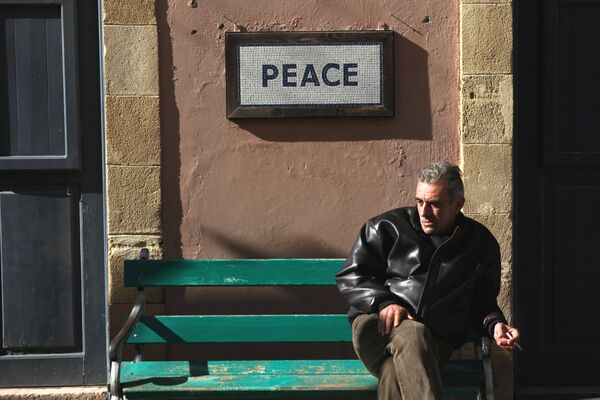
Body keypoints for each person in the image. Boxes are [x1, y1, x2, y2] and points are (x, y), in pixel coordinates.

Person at [335, 162, 520, 400]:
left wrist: (495, 325)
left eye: (434, 204)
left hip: (435, 342)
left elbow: (482, 302)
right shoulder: (386, 227)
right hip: (377, 328)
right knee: (412, 332)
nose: (424, 212)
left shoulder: (480, 244)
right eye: (419, 202)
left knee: (393, 373)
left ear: (458, 204)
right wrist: (384, 302)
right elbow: (352, 275)